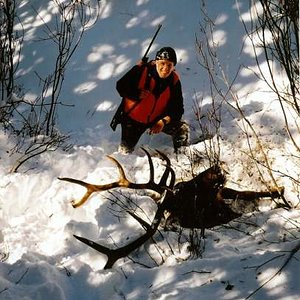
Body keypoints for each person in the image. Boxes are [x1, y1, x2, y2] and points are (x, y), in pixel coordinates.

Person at [111, 46, 189, 154]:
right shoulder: (141, 70)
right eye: (162, 63)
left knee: (182, 129)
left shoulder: (174, 81)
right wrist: (136, 94)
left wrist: (163, 121)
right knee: (125, 153)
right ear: (156, 62)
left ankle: (181, 158)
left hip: (156, 120)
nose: (165, 68)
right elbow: (120, 86)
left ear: (173, 67)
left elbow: (178, 109)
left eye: (169, 65)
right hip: (132, 121)